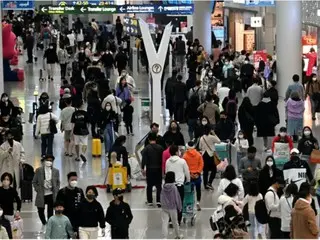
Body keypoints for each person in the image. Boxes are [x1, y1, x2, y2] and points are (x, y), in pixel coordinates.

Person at [32, 155, 60, 228]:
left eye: (51, 160)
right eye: (48, 160)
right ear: (44, 161)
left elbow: (58, 182)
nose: (49, 162)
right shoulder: (39, 170)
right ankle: (44, 222)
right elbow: (34, 182)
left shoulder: (56, 171)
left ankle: (49, 223)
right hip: (41, 193)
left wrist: (56, 189)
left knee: (50, 211)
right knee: (40, 209)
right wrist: (38, 189)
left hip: (51, 194)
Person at [165, 145, 190, 225]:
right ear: (176, 152)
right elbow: (187, 173)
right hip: (179, 186)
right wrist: (188, 181)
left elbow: (166, 172)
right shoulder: (182, 161)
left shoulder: (168, 161)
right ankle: (178, 220)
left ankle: (170, 220)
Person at [141, 133, 164, 207]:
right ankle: (159, 201)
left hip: (150, 169)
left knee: (149, 185)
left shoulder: (146, 148)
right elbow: (162, 159)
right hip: (158, 169)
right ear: (156, 139)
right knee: (159, 185)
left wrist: (142, 168)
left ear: (148, 139)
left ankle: (150, 201)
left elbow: (143, 159)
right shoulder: (160, 148)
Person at [160, 172, 182, 239]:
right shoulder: (174, 187)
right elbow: (177, 198)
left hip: (164, 207)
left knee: (164, 222)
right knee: (175, 222)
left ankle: (164, 237)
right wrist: (179, 207)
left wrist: (162, 205)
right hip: (172, 208)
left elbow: (161, 196)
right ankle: (178, 235)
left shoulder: (163, 187)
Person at [183, 141, 203, 210]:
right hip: (197, 175)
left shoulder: (185, 156)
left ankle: (189, 205)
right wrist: (198, 173)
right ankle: (198, 202)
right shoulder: (198, 155)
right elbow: (201, 164)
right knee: (198, 190)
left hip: (189, 176)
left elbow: (184, 166)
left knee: (189, 191)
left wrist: (190, 173)